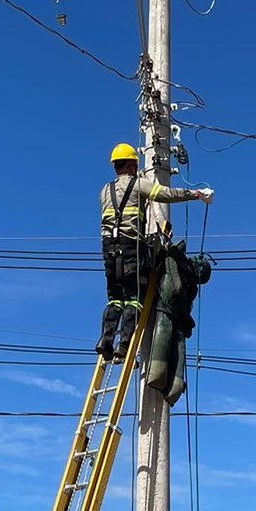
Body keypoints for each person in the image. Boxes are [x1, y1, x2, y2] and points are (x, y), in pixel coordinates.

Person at [96, 142, 213, 360]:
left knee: (114, 298)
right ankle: (123, 345)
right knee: (133, 298)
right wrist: (196, 194)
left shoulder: (104, 191)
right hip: (131, 248)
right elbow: (165, 194)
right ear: (132, 165)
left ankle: (105, 340)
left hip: (109, 251)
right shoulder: (140, 185)